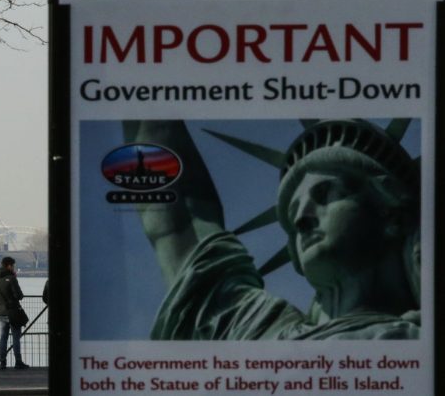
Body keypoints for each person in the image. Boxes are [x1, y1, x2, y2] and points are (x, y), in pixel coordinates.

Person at [124, 119, 420, 340]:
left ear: (391, 211)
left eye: (326, 194)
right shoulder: (259, 335)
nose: (302, 219)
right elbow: (183, 222)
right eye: (292, 215)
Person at [0, 256, 29, 369]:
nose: (14, 267)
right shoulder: (11, 278)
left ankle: (2, 361)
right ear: (9, 265)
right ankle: (18, 361)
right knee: (16, 337)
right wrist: (14, 277)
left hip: (1, 312)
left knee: (3, 337)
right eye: (13, 265)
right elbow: (19, 295)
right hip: (13, 312)